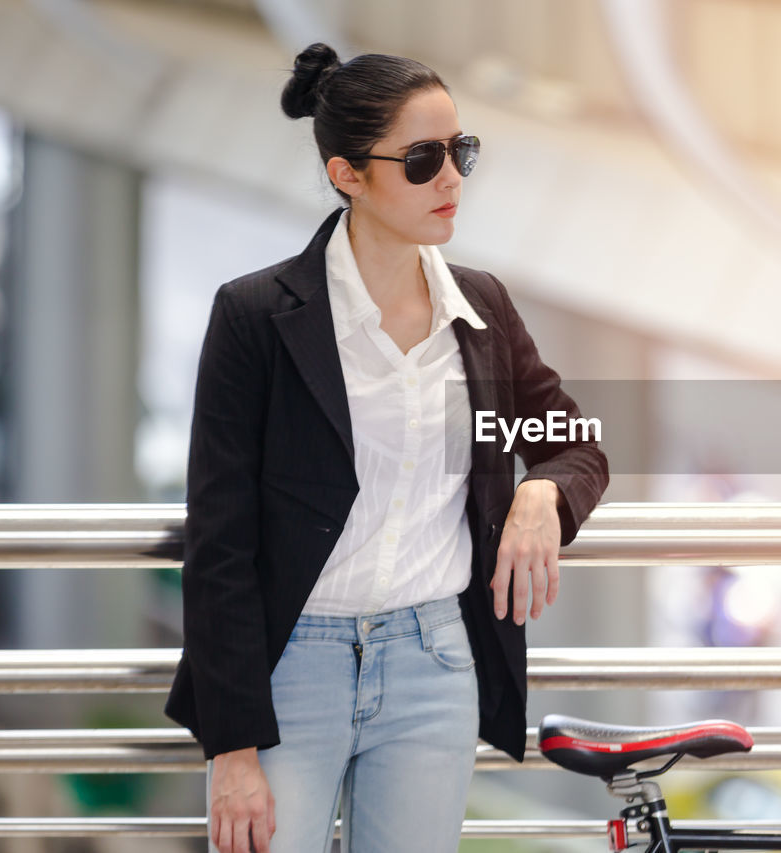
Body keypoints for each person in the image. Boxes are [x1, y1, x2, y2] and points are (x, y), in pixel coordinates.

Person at [162, 42, 609, 853]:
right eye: (423, 159)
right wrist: (231, 749)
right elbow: (219, 542)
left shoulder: (481, 307)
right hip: (290, 665)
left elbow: (572, 437)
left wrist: (543, 492)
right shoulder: (256, 316)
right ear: (347, 176)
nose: (451, 179)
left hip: (434, 663)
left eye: (461, 152)